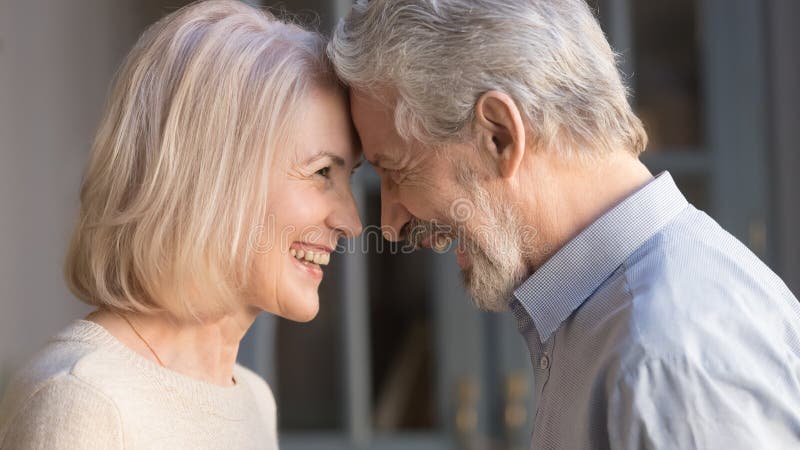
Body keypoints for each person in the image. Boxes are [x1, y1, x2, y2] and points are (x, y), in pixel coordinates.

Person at [328, 0, 800, 448]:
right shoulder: (616, 326)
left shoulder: (662, 359)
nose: (389, 223)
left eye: (397, 171)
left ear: (499, 136)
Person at [0, 1, 362, 448]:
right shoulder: (84, 403)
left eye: (351, 178)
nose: (351, 221)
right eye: (323, 172)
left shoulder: (252, 398)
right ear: (214, 176)